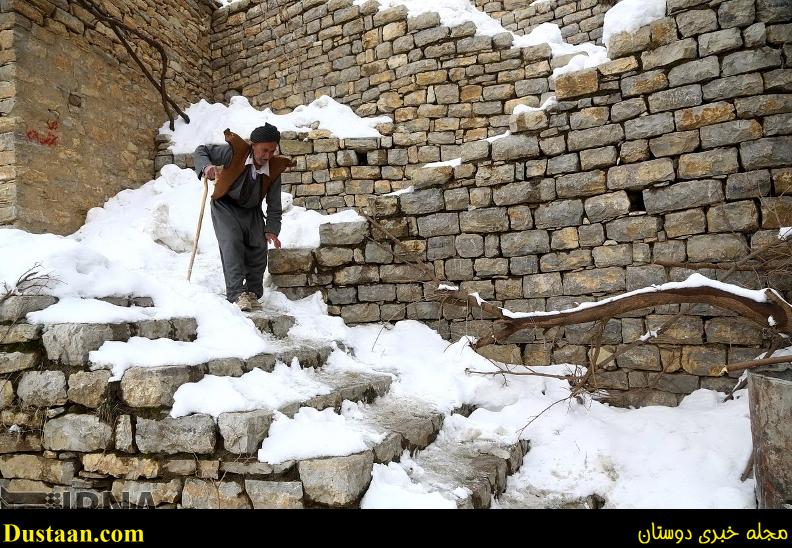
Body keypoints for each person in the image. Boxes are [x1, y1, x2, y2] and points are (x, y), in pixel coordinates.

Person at [193, 123, 290, 311]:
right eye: (264, 150)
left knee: (258, 246)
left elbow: (274, 206)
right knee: (232, 243)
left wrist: (271, 230)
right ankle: (237, 293)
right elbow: (201, 150)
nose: (267, 156)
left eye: (272, 151)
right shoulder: (233, 153)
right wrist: (207, 167)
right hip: (225, 205)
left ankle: (252, 293)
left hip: (251, 210)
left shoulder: (274, 170)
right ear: (253, 145)